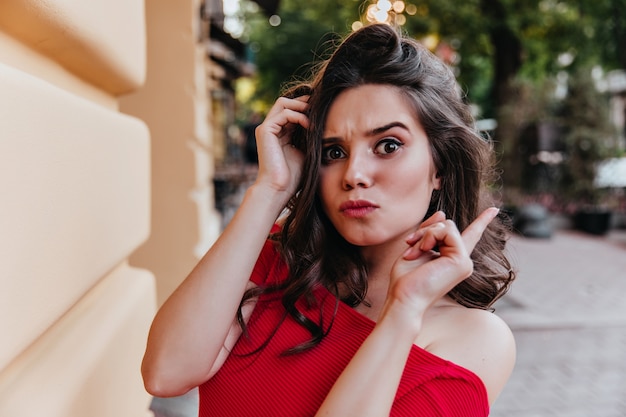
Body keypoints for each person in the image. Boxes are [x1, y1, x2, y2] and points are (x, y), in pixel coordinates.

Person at [141, 23, 516, 417]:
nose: (354, 174)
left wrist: (403, 310)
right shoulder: (279, 263)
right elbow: (166, 374)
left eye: (388, 146)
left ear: (440, 163)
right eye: (333, 152)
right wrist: (270, 191)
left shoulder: (476, 342)